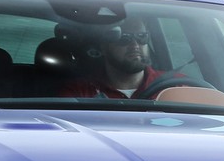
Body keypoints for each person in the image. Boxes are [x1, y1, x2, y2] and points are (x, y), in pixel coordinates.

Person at [58, 18, 192, 100]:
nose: (135, 45)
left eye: (141, 36)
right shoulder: (79, 91)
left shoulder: (176, 85)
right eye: (124, 38)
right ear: (104, 47)